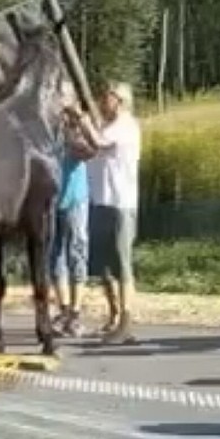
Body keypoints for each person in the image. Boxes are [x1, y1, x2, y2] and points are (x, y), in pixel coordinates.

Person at [65, 81, 141, 345]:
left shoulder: (125, 126)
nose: (100, 102)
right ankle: (114, 316)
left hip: (120, 203)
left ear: (119, 101)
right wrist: (73, 127)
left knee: (122, 264)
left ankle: (126, 322)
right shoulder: (107, 127)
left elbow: (97, 143)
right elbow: (86, 149)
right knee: (105, 267)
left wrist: (81, 117)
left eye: (105, 98)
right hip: (100, 201)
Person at [49, 105, 94, 338]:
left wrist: (77, 124)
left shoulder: (77, 137)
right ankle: (63, 309)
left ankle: (76, 312)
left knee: (77, 252)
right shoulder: (49, 134)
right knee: (54, 255)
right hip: (53, 201)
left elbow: (89, 151)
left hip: (75, 200)